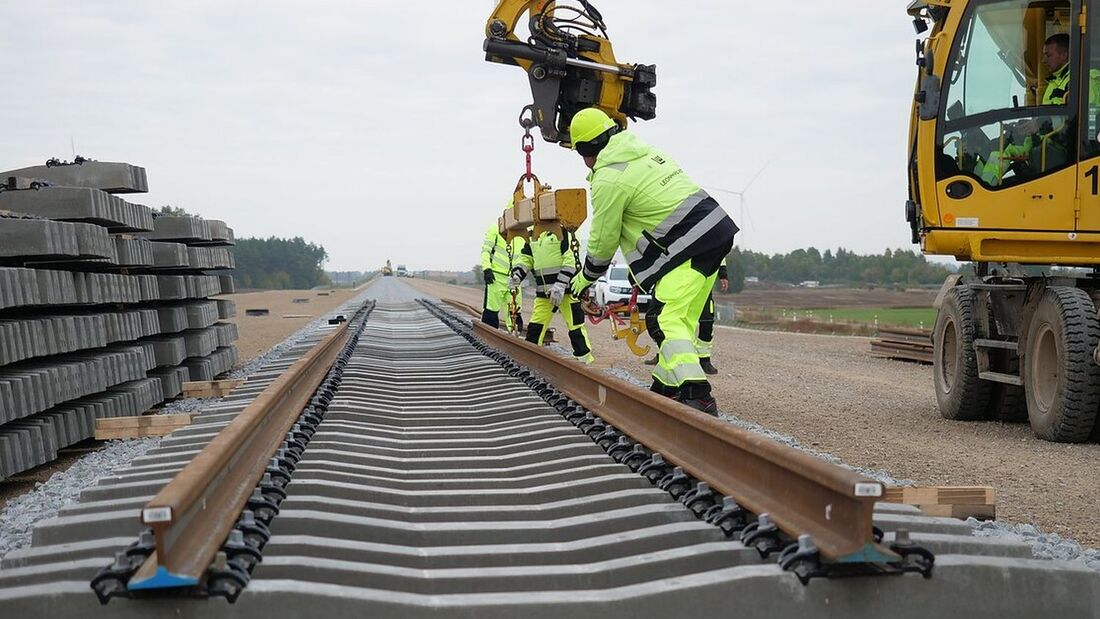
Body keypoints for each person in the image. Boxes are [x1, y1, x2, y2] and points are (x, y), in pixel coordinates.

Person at [567, 108, 738, 414]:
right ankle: (665, 387)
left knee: (662, 319)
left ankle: (698, 394)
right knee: (682, 319)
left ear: (585, 149)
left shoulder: (608, 178)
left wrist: (584, 279)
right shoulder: (646, 153)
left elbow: (603, 243)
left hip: (689, 243)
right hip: (716, 230)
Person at [511, 228, 595, 363]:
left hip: (567, 291)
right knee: (535, 329)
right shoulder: (533, 235)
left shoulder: (564, 231)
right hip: (544, 294)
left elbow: (570, 261)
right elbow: (526, 259)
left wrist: (560, 285)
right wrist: (517, 275)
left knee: (575, 328)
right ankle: (529, 362)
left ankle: (585, 361)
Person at [645, 257, 728, 374]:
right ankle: (663, 354)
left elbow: (720, 254)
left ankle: (704, 359)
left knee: (706, 320)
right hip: (679, 279)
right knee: (668, 319)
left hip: (702, 279)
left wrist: (723, 274)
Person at [480, 220, 528, 330]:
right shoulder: (495, 229)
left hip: (515, 279)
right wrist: (487, 269)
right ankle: (489, 336)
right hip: (495, 278)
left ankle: (513, 335)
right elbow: (486, 251)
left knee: (515, 313)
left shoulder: (523, 231)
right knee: (491, 311)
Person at [1042, 33, 1069, 105]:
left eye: (1048, 55)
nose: (1043, 60)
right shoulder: (1054, 80)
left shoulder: (1080, 80)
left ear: (1064, 55)